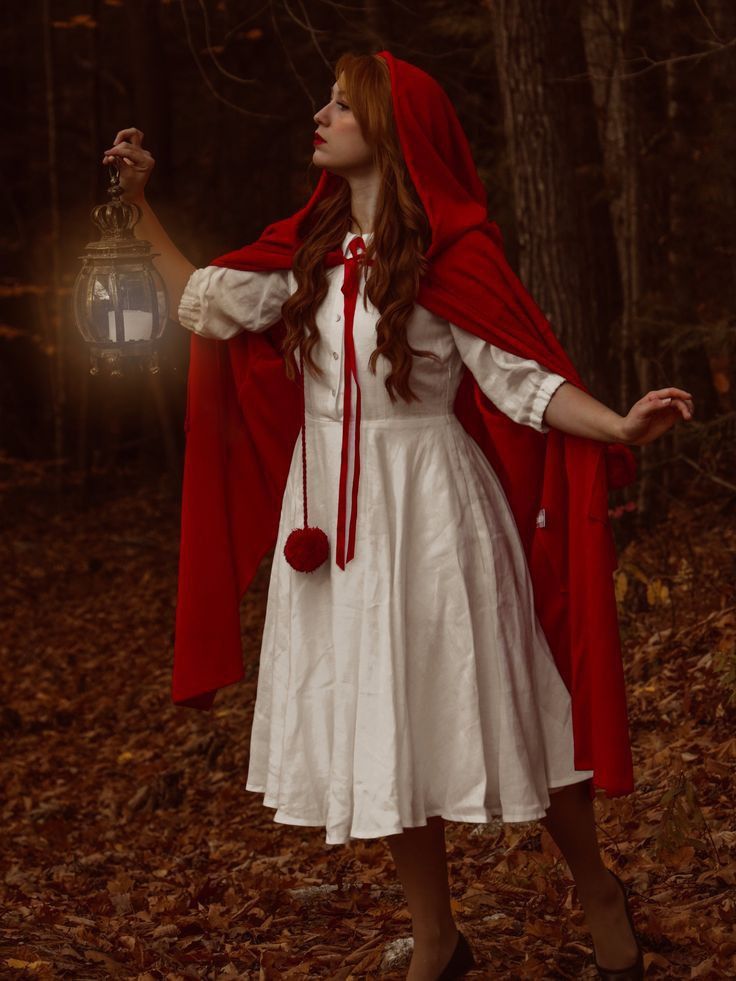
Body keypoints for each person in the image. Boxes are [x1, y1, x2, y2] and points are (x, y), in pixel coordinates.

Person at [102, 50, 693, 981]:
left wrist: (618, 420)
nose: (323, 113)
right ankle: (436, 935)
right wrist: (138, 207)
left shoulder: (454, 254)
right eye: (328, 99)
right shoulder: (309, 252)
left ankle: (596, 886)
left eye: (344, 103)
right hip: (330, 519)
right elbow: (206, 302)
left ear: (390, 128)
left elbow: (523, 382)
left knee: (517, 705)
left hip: (431, 505)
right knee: (381, 719)